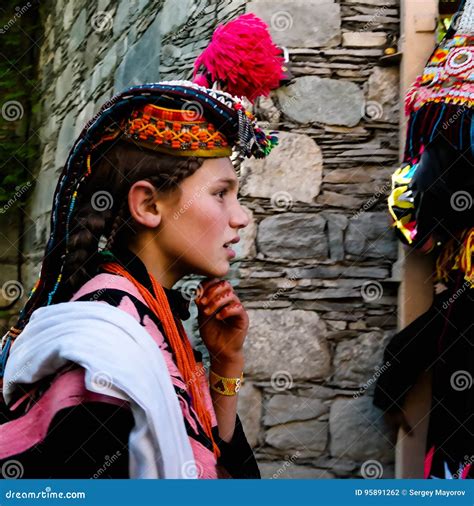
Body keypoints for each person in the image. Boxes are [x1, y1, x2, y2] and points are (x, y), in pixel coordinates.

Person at [0, 14, 286, 479]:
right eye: (221, 193)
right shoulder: (104, 360)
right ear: (149, 205)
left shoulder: (152, 314)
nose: (241, 216)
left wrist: (226, 364)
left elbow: (227, 472)